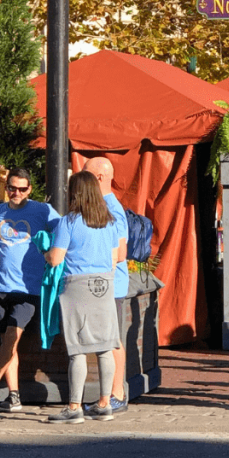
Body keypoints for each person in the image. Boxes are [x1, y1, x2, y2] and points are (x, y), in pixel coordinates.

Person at [44, 171, 121, 423]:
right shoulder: (109, 222)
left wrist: (44, 252)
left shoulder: (69, 222)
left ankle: (74, 406)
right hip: (105, 284)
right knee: (104, 347)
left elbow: (56, 258)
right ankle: (104, 403)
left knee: (77, 349)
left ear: (75, 192)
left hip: (77, 285)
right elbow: (115, 258)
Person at [0, 167, 59, 412]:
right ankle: (13, 396)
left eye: (22, 189)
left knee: (12, 338)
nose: (17, 193)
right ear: (6, 188)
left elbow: (63, 232)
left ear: (30, 189)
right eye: (12, 188)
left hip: (28, 287)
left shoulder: (43, 210)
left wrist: (52, 256)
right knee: (8, 343)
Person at [83, 157, 130, 413]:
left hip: (112, 285)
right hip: (100, 284)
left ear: (99, 177)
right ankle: (108, 394)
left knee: (112, 340)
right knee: (105, 339)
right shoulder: (98, 205)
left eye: (86, 173)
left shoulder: (112, 208)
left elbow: (120, 253)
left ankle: (117, 393)